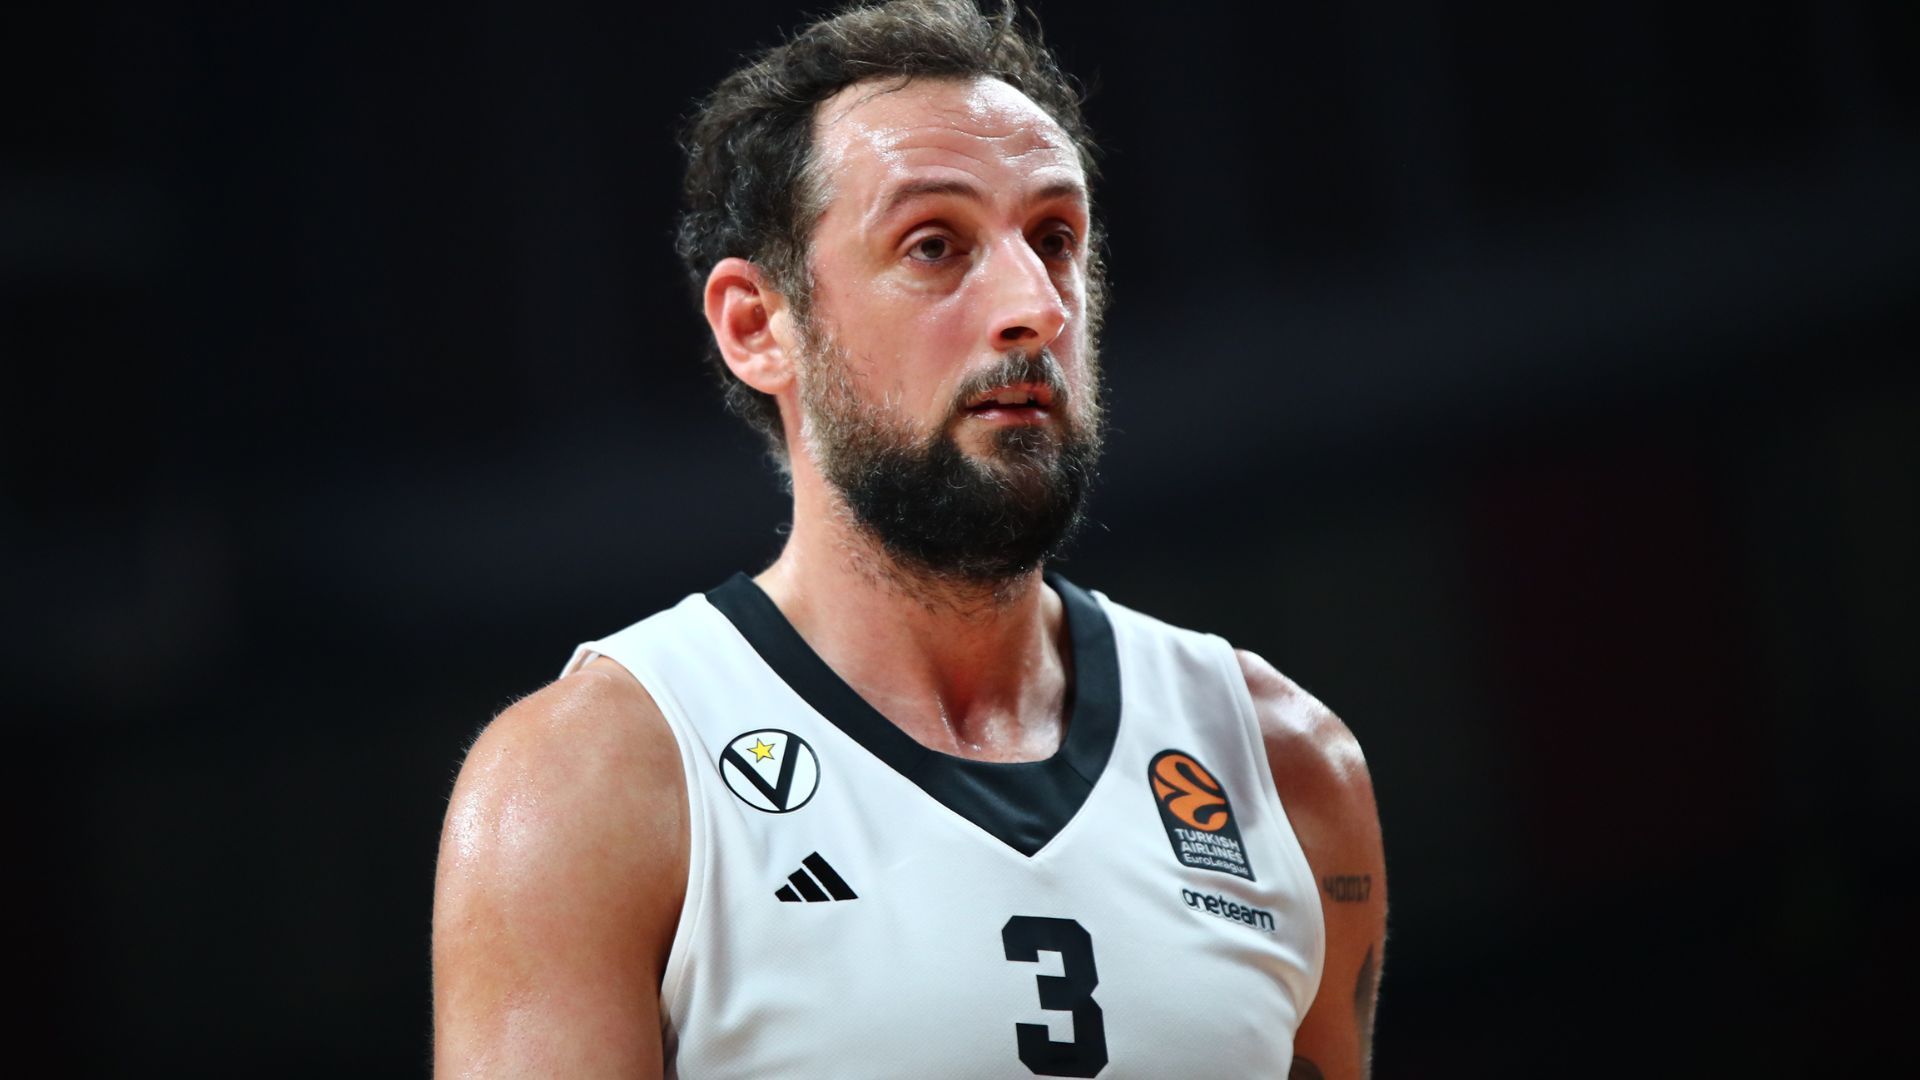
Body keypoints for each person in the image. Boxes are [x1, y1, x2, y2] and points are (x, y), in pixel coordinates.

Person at [431, 1, 1386, 1076]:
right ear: (757, 325)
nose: (1035, 306)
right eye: (935, 245)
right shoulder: (591, 782)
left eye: (1055, 240)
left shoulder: (1285, 766)